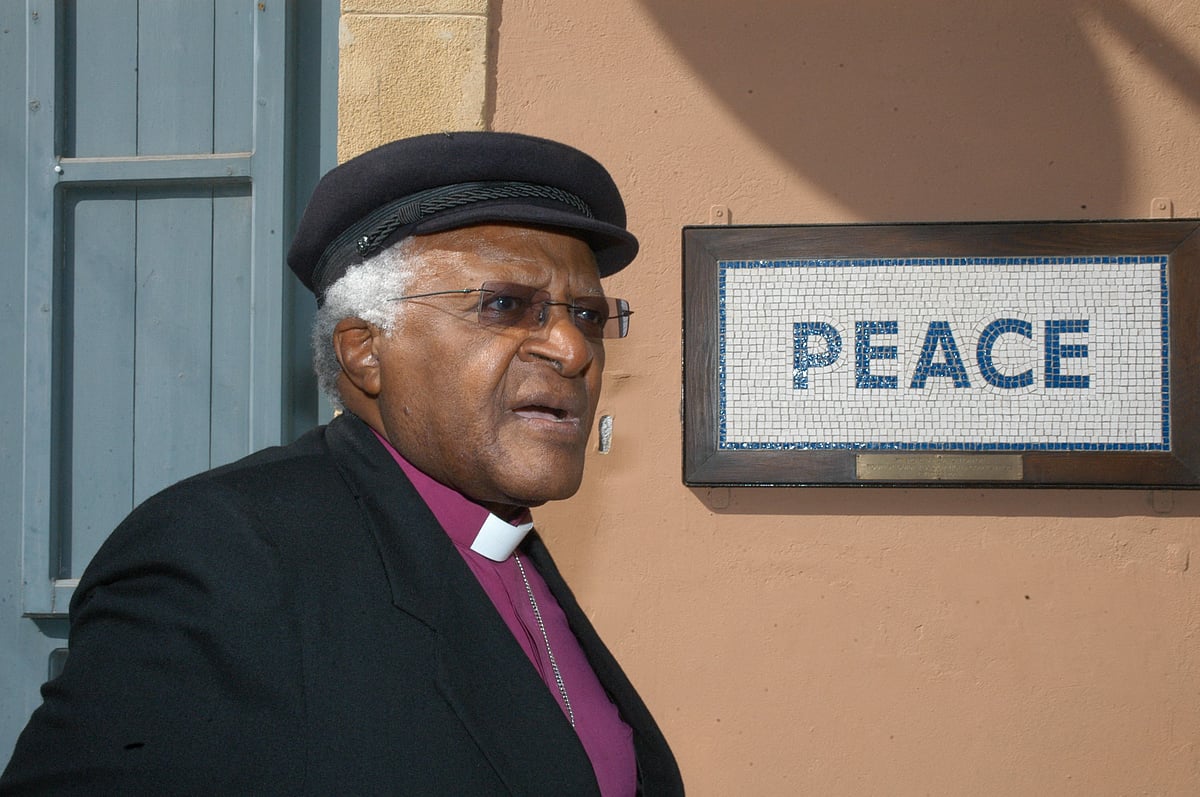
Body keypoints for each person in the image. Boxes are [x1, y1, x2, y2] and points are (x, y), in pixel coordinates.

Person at [0, 132, 684, 795]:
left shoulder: (506, 545)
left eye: (590, 315)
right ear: (364, 350)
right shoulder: (224, 557)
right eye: (506, 305)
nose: (573, 349)